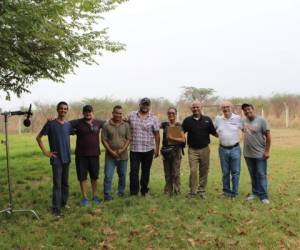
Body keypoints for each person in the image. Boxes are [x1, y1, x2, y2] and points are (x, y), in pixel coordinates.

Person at [36, 101, 73, 218]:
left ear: (67, 110)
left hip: (67, 158)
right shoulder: (51, 124)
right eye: (61, 108)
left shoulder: (68, 125)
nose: (63, 110)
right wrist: (46, 152)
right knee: (57, 184)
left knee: (65, 183)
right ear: (57, 110)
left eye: (65, 109)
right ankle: (56, 209)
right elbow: (38, 138)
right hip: (56, 159)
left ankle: (63, 203)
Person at [182, 100, 218, 199]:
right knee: (193, 170)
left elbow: (214, 132)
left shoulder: (207, 120)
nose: (196, 109)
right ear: (191, 109)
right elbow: (181, 133)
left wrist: (224, 135)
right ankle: (192, 192)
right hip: (192, 150)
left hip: (205, 149)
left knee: (204, 171)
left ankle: (201, 191)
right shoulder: (187, 120)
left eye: (197, 107)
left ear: (201, 107)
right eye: (194, 107)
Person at [70, 105, 105, 206]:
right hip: (81, 155)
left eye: (89, 111)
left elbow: (110, 123)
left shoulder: (98, 122)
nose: (88, 113)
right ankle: (84, 198)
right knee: (82, 177)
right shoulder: (77, 122)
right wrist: (72, 131)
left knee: (94, 176)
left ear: (92, 112)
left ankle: (94, 196)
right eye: (86, 112)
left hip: (94, 154)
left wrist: (124, 119)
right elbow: (64, 124)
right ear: (83, 113)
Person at [128, 97, 160, 196]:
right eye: (143, 104)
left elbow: (157, 135)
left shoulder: (154, 118)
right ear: (140, 105)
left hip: (148, 149)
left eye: (147, 104)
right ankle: (134, 192)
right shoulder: (131, 115)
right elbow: (123, 122)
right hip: (134, 149)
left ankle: (144, 191)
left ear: (149, 106)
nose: (145, 106)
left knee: (145, 172)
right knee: (133, 172)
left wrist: (157, 150)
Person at [242, 103, 271, 204]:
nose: (247, 111)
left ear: (253, 109)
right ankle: (255, 193)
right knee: (253, 174)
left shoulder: (261, 120)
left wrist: (267, 151)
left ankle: (264, 196)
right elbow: (243, 131)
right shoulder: (243, 121)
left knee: (261, 174)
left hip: (260, 154)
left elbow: (268, 136)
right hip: (247, 154)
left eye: (249, 109)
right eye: (245, 110)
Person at [101, 105, 131, 201]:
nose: (119, 115)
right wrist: (111, 151)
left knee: (122, 175)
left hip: (123, 155)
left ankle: (120, 192)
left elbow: (128, 139)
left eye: (120, 113)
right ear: (113, 113)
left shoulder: (126, 125)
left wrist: (122, 150)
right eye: (117, 113)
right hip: (110, 156)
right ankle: (107, 195)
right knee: (108, 175)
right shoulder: (106, 125)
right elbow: (104, 140)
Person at [215, 101, 243, 198]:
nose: (226, 108)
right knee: (225, 172)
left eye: (227, 106)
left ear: (231, 107)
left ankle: (235, 193)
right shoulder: (218, 119)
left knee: (235, 172)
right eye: (223, 107)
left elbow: (244, 129)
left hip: (235, 149)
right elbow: (214, 131)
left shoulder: (237, 118)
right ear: (221, 109)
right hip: (222, 149)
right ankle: (226, 192)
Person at [160, 107, 185, 196]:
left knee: (175, 173)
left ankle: (177, 191)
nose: (171, 115)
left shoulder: (179, 125)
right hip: (166, 152)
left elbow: (183, 140)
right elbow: (154, 126)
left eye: (173, 113)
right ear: (167, 114)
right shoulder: (164, 124)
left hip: (176, 152)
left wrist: (172, 138)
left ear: (176, 114)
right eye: (169, 113)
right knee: (167, 173)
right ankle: (168, 191)